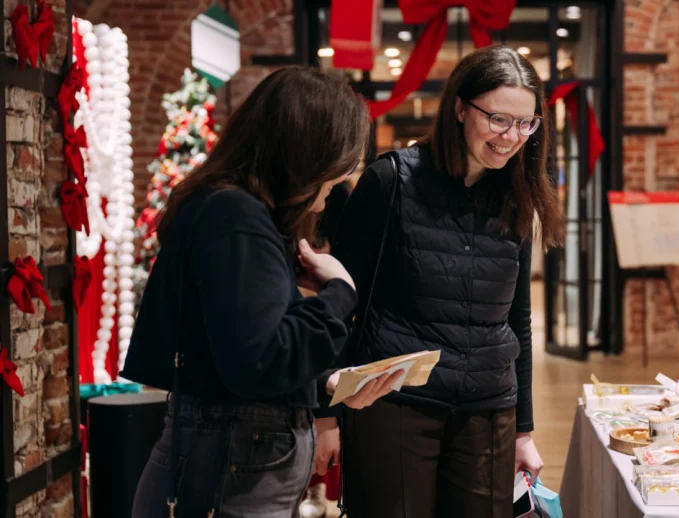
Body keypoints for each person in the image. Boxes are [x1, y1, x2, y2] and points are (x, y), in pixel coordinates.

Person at [122, 66, 402, 518]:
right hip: (232, 463)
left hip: (229, 454)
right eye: (336, 169)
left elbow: (235, 354)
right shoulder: (236, 218)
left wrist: (326, 383)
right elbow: (257, 362)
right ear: (307, 154)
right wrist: (339, 292)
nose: (340, 182)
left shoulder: (230, 211)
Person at [320, 46, 564, 518]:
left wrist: (524, 431)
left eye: (525, 124)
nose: (511, 136)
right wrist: (326, 413)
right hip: (394, 405)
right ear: (459, 107)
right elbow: (338, 303)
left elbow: (517, 320)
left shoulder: (517, 195)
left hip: (487, 410)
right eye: (497, 119)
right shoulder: (391, 181)